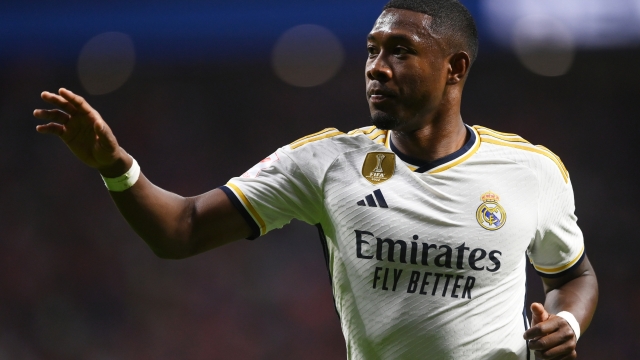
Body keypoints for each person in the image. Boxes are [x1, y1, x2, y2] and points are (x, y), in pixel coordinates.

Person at [33, 0, 597, 358]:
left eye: (401, 51)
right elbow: (179, 230)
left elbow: (574, 276)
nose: (377, 66)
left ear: (455, 69)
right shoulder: (325, 161)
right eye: (373, 50)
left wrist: (566, 321)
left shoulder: (531, 171)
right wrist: (115, 166)